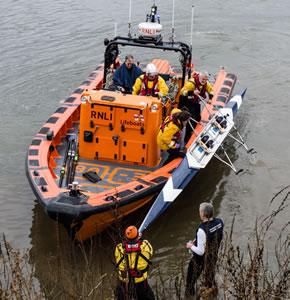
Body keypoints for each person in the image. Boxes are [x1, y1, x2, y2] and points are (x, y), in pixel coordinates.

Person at [185, 202, 224, 297]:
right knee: (210, 278)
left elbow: (201, 251)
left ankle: (190, 297)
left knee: (190, 281)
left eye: (199, 211)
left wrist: (190, 246)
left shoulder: (202, 229)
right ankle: (214, 295)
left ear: (202, 214)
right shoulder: (220, 222)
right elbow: (214, 235)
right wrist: (199, 240)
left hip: (199, 260)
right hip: (213, 257)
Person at [115, 225, 155, 300]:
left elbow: (118, 255)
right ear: (138, 236)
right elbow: (151, 252)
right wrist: (140, 239)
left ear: (126, 237)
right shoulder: (145, 246)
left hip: (124, 282)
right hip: (140, 282)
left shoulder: (119, 248)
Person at [179, 71, 214, 143]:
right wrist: (192, 92)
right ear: (199, 77)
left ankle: (193, 132)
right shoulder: (191, 83)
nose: (204, 81)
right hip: (187, 102)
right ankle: (187, 137)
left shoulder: (206, 84)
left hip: (195, 102)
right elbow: (182, 92)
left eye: (206, 79)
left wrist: (210, 98)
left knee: (198, 118)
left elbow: (211, 91)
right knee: (191, 119)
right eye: (203, 79)